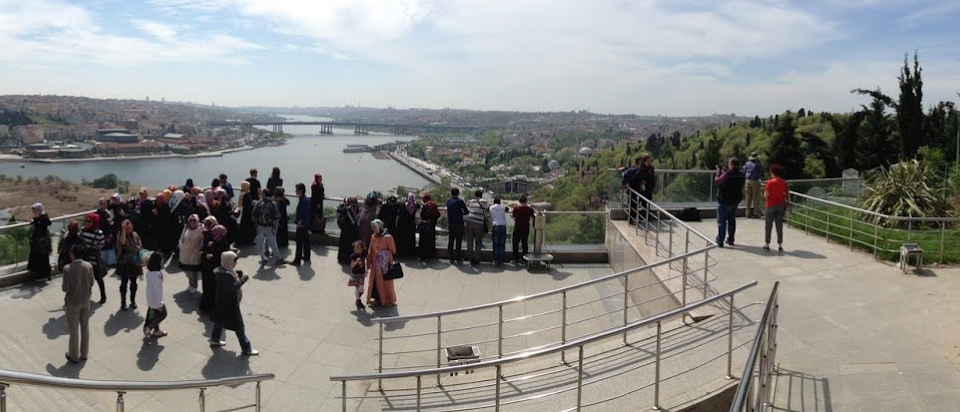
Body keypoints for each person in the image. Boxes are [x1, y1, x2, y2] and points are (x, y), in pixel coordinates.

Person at [209, 251, 258, 356]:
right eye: (234, 261)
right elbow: (234, 286)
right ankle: (246, 347)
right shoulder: (226, 275)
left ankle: (215, 339)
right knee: (239, 326)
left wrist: (237, 275)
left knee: (219, 321)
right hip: (230, 305)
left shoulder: (222, 271)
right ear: (229, 261)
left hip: (221, 303)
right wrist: (244, 278)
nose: (236, 263)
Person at [62, 245, 95, 363]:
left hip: (73, 301)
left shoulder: (67, 268)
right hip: (86, 300)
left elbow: (65, 288)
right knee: (85, 327)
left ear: (73, 254)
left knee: (74, 329)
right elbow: (91, 282)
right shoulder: (89, 266)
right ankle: (84, 353)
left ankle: (73, 355)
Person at [714, 157, 746, 247]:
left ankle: (720, 240)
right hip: (735, 201)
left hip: (724, 200)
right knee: (732, 220)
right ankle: (731, 239)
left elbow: (717, 181)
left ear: (731, 164)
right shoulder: (741, 174)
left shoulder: (727, 174)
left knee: (722, 222)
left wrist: (718, 172)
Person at [366, 219, 397, 307]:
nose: (373, 229)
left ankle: (388, 300)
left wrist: (383, 254)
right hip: (375, 264)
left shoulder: (387, 237)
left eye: (374, 227)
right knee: (374, 283)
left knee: (385, 283)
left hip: (384, 265)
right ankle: (377, 299)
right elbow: (370, 249)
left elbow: (393, 250)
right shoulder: (373, 236)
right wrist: (368, 260)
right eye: (372, 227)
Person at [200, 225, 228, 314]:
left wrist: (211, 257)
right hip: (211, 269)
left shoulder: (221, 242)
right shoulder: (216, 240)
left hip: (215, 269)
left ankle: (210, 307)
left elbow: (220, 256)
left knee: (212, 289)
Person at [80, 213, 107, 304]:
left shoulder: (99, 233)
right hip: (85, 259)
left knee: (98, 278)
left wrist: (96, 247)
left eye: (89, 221)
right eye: (86, 221)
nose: (87, 223)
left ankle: (103, 296)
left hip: (94, 259)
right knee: (86, 278)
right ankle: (87, 295)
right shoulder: (83, 230)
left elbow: (102, 244)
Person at [116, 219, 143, 311]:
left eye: (129, 225)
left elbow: (140, 243)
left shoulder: (135, 234)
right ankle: (123, 302)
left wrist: (138, 247)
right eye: (126, 226)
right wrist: (123, 230)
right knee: (124, 283)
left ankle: (133, 300)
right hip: (125, 261)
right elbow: (122, 242)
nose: (128, 227)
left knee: (134, 282)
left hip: (134, 261)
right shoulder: (121, 235)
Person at [253, 189, 283, 265]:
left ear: (263, 194)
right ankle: (278, 259)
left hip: (260, 226)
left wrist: (256, 224)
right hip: (269, 226)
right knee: (273, 243)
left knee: (260, 243)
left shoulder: (259, 202)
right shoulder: (272, 203)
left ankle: (263, 258)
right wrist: (274, 224)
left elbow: (253, 213)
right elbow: (277, 215)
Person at [143, 251, 168, 343]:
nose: (163, 262)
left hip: (150, 298)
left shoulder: (149, 272)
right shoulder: (157, 274)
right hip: (156, 300)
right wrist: (159, 303)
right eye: (162, 260)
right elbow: (157, 290)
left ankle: (156, 331)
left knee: (153, 315)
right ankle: (148, 328)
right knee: (163, 314)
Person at [763, 164, 790, 252]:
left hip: (770, 205)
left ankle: (767, 244)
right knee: (779, 226)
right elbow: (787, 194)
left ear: (773, 173)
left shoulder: (770, 182)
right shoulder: (784, 182)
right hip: (780, 205)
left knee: (768, 225)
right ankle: (780, 244)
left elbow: (766, 195)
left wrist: (767, 199)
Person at [178, 214, 203, 294]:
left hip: (194, 253)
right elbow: (181, 238)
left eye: (194, 220)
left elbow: (202, 242)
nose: (192, 222)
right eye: (190, 220)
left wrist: (200, 250)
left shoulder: (200, 229)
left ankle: (194, 285)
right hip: (185, 253)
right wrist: (181, 246)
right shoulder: (186, 228)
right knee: (187, 270)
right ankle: (190, 284)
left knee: (193, 272)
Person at [28, 203, 52, 280]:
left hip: (42, 243)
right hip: (39, 243)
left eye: (35, 211)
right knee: (39, 259)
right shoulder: (40, 219)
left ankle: (43, 275)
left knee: (42, 259)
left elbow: (42, 225)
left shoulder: (43, 219)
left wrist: (35, 220)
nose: (34, 213)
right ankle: (40, 274)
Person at [445, 188, 469, 264]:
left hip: (451, 223)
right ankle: (458, 256)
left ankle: (451, 257)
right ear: (458, 193)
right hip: (459, 223)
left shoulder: (448, 201)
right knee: (458, 241)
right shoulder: (460, 202)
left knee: (451, 240)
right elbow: (466, 211)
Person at [464, 190, 487, 265]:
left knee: (470, 241)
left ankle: (470, 258)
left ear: (475, 195)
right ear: (481, 195)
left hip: (470, 222)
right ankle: (476, 259)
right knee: (478, 242)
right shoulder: (483, 202)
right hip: (479, 223)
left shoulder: (471, 201)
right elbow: (487, 209)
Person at [336, 197, 360, 264]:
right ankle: (349, 259)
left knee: (343, 245)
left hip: (346, 231)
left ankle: (342, 258)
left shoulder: (347, 209)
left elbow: (338, 210)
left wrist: (342, 204)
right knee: (351, 246)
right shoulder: (357, 209)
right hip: (354, 231)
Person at [511, 195, 535, 264]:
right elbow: (533, 216)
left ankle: (516, 259)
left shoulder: (516, 208)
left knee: (515, 244)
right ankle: (524, 259)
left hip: (517, 228)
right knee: (524, 244)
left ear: (519, 201)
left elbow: (514, 216)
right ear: (526, 201)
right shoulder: (529, 209)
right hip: (526, 228)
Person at [417, 193, 441, 260]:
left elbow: (422, 216)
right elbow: (438, 214)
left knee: (423, 240)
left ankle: (422, 254)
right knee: (431, 240)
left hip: (424, 226)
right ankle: (431, 254)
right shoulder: (434, 205)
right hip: (431, 225)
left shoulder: (424, 205)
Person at [292, 183, 311, 265]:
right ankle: (306, 256)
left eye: (297, 189)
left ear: (300, 190)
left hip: (302, 224)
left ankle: (297, 260)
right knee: (306, 240)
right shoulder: (306, 199)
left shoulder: (303, 200)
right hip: (305, 223)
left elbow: (303, 213)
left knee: (299, 242)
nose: (296, 191)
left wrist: (300, 222)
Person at [395, 192, 419, 258]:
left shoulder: (403, 205)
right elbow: (417, 216)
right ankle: (410, 253)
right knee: (410, 239)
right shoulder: (415, 205)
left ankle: (402, 252)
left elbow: (399, 214)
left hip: (403, 225)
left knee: (402, 239)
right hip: (411, 225)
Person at [744, 152, 765, 219]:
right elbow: (762, 172)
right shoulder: (758, 164)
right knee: (756, 197)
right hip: (755, 180)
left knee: (748, 197)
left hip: (747, 180)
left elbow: (744, 170)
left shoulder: (747, 164)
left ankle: (747, 213)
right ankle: (755, 213)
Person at [489, 197, 509, 266]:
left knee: (496, 244)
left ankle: (495, 259)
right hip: (503, 226)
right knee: (502, 244)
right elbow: (507, 209)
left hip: (495, 226)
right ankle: (501, 260)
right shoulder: (503, 207)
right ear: (500, 202)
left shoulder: (491, 208)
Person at [349, 241, 367, 310]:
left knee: (361, 288)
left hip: (361, 274)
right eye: (355, 248)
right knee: (357, 287)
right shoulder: (353, 256)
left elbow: (366, 258)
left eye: (358, 248)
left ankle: (358, 295)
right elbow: (352, 266)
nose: (355, 249)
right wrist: (356, 262)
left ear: (362, 249)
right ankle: (358, 300)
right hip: (355, 274)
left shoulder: (363, 254)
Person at [237, 180, 256, 245]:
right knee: (246, 226)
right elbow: (240, 204)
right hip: (246, 212)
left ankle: (247, 240)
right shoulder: (243, 194)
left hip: (248, 211)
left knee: (247, 226)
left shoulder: (246, 193)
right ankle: (246, 240)